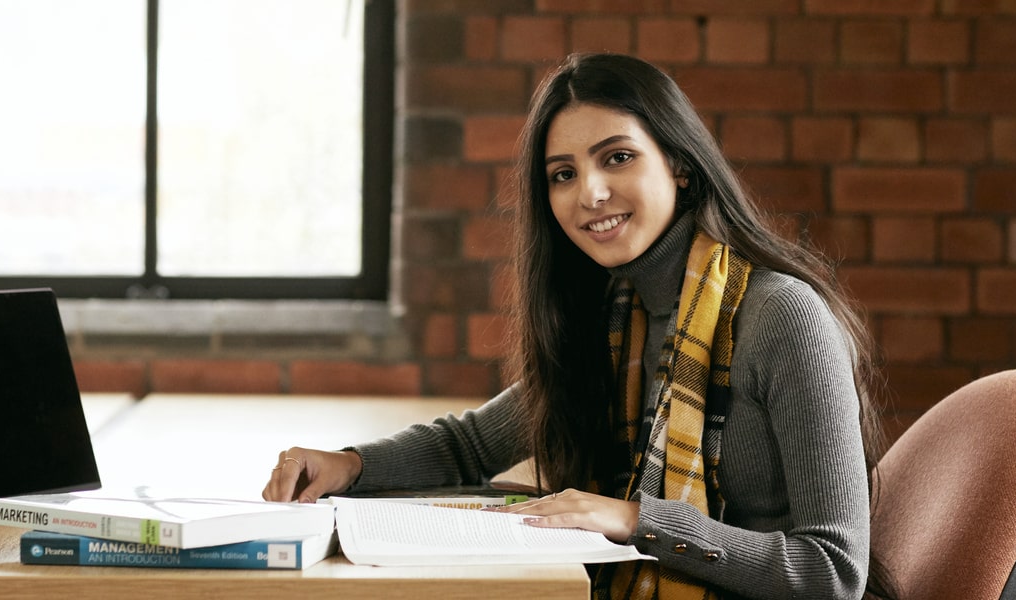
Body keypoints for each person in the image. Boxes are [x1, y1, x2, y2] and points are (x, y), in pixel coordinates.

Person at [264, 52, 891, 600]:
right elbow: (473, 445)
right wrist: (349, 464)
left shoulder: (783, 315)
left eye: (616, 158)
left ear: (679, 164)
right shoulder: (619, 315)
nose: (589, 193)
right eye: (563, 174)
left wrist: (637, 520)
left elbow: (832, 574)